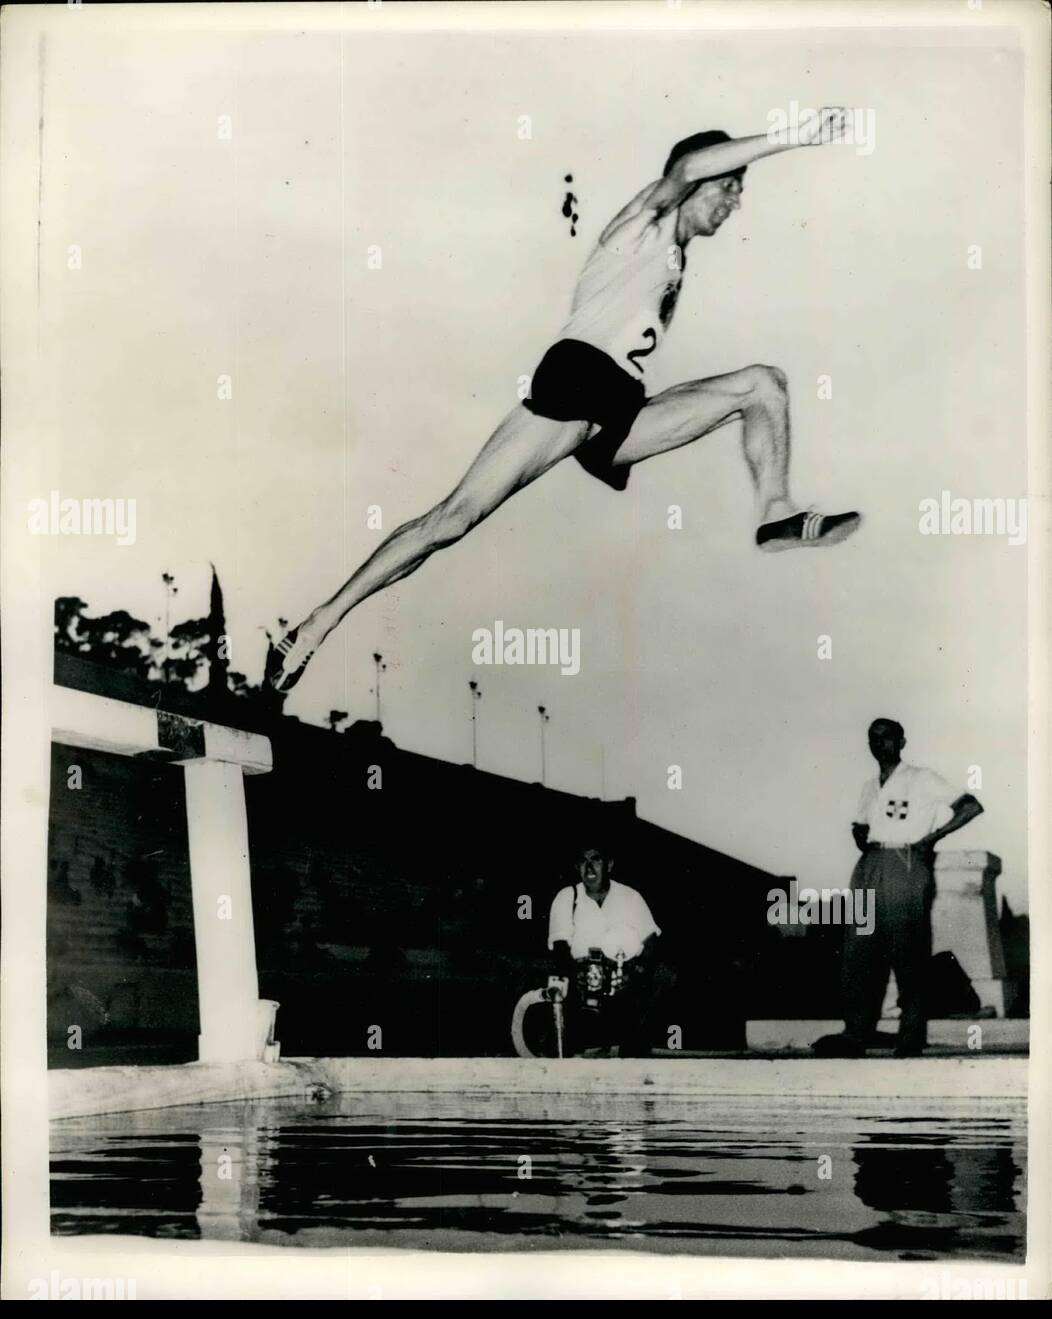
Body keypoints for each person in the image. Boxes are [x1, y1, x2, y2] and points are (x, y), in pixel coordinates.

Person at [266, 111, 861, 693]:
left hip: (618, 407)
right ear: (701, 182)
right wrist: (794, 136)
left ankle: (775, 511)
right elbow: (684, 166)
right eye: (730, 187)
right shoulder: (642, 229)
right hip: (575, 384)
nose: (735, 204)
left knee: (763, 384)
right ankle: (313, 627)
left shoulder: (677, 260)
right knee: (451, 520)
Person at [821, 718, 984, 1058]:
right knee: (859, 950)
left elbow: (970, 806)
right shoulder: (869, 786)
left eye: (887, 737)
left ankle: (910, 1036)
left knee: (908, 949)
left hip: (905, 865)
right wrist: (858, 833)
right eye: (873, 738)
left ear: (901, 741)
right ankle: (856, 1033)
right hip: (870, 867)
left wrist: (930, 840)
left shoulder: (920, 778)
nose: (880, 744)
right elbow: (862, 824)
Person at [547, 838, 674, 1057]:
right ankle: (569, 1050)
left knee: (665, 974)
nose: (589, 867)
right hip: (583, 980)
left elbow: (652, 944)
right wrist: (575, 973)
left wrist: (635, 972)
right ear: (577, 867)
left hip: (626, 977)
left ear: (609, 865)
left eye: (595, 859)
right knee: (557, 984)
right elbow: (559, 947)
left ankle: (635, 1050)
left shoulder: (630, 897)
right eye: (583, 861)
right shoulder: (566, 897)